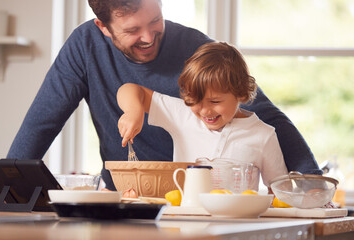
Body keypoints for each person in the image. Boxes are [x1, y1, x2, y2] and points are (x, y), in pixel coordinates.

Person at [6, 0, 321, 191]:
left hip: (185, 198)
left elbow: (268, 117)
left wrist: (312, 182)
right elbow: (42, 121)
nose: (148, 37)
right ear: (103, 27)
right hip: (125, 196)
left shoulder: (197, 50)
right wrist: (5, 180)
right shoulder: (84, 46)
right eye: (132, 31)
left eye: (155, 20)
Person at [117, 42, 288, 190]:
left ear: (241, 93)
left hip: (237, 225)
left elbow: (280, 191)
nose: (205, 111)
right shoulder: (183, 115)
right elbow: (131, 89)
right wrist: (134, 111)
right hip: (184, 222)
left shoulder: (263, 135)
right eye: (195, 100)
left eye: (215, 101)